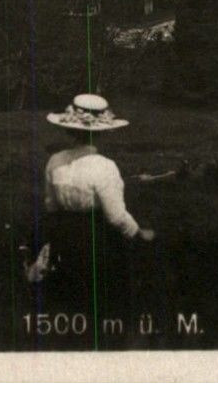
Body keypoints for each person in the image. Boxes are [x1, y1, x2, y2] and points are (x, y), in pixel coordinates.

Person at [34, 94, 154, 335]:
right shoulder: (104, 166)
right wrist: (139, 233)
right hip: (96, 240)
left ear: (69, 130)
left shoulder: (54, 161)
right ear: (101, 132)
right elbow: (116, 217)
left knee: (66, 300)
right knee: (102, 299)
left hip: (63, 237)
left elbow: (50, 204)